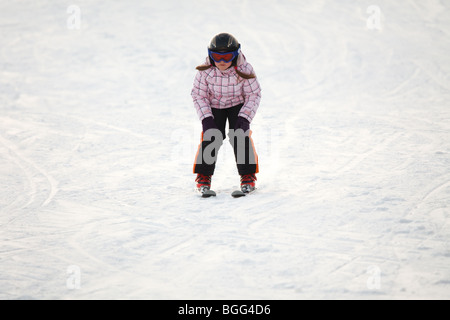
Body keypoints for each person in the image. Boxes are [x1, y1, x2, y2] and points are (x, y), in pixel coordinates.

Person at [191, 33, 261, 195]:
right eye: (216, 56)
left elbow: (253, 95)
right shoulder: (205, 71)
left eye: (227, 56)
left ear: (235, 55)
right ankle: (204, 177)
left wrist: (244, 118)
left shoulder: (245, 69)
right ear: (210, 55)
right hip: (214, 106)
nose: (221, 62)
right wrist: (206, 119)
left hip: (237, 105)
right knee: (212, 136)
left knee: (240, 135)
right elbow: (198, 95)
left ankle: (248, 176)